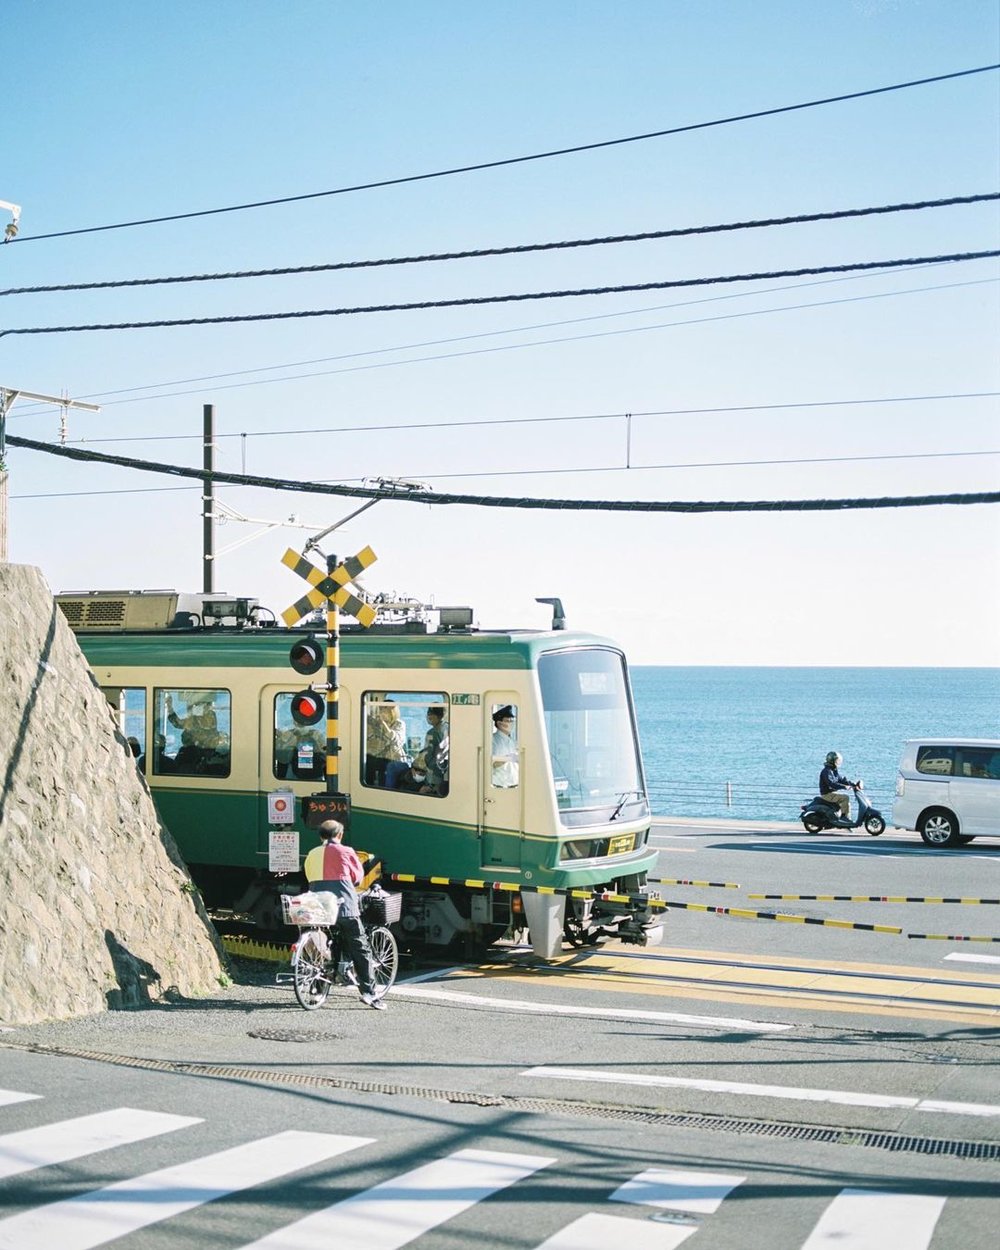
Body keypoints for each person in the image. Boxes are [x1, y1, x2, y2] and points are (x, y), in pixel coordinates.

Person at [302, 819, 386, 1010]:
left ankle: (316, 991)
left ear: (321, 836)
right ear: (339, 835)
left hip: (318, 908)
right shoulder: (346, 851)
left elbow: (308, 876)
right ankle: (369, 993)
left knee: (322, 945)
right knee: (360, 946)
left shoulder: (312, 854)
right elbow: (357, 878)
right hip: (343, 907)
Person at [365, 698, 409, 788]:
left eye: (385, 709)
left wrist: (383, 724)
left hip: (393, 759)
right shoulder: (376, 723)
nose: (382, 711)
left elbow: (394, 739)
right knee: (366, 762)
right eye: (381, 709)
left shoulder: (399, 724)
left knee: (385, 770)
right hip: (379, 757)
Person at [818, 750, 859, 820]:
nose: (838, 762)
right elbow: (831, 784)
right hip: (827, 794)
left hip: (831, 793)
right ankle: (844, 817)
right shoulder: (827, 771)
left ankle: (845, 818)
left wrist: (853, 784)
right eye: (837, 760)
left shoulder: (833, 770)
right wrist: (844, 787)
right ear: (832, 761)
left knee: (845, 801)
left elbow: (842, 780)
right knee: (845, 798)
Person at [420, 705, 449, 795]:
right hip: (445, 773)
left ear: (438, 716)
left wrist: (431, 785)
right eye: (428, 714)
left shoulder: (432, 733)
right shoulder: (448, 727)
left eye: (431, 714)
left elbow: (430, 757)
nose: (429, 717)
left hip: (435, 776)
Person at [491, 706, 519, 788]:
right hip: (500, 786)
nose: (511, 723)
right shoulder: (493, 740)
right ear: (499, 723)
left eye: (512, 721)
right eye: (508, 721)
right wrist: (508, 758)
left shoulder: (513, 742)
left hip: (515, 786)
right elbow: (491, 764)